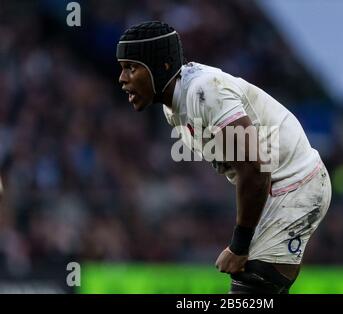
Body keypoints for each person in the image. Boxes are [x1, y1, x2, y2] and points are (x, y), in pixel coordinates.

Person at [116, 21, 332, 294]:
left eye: (131, 68)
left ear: (164, 66)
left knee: (254, 284)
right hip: (275, 189)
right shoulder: (173, 108)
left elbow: (255, 168)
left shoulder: (204, 92)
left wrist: (239, 246)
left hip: (296, 184)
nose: (122, 79)